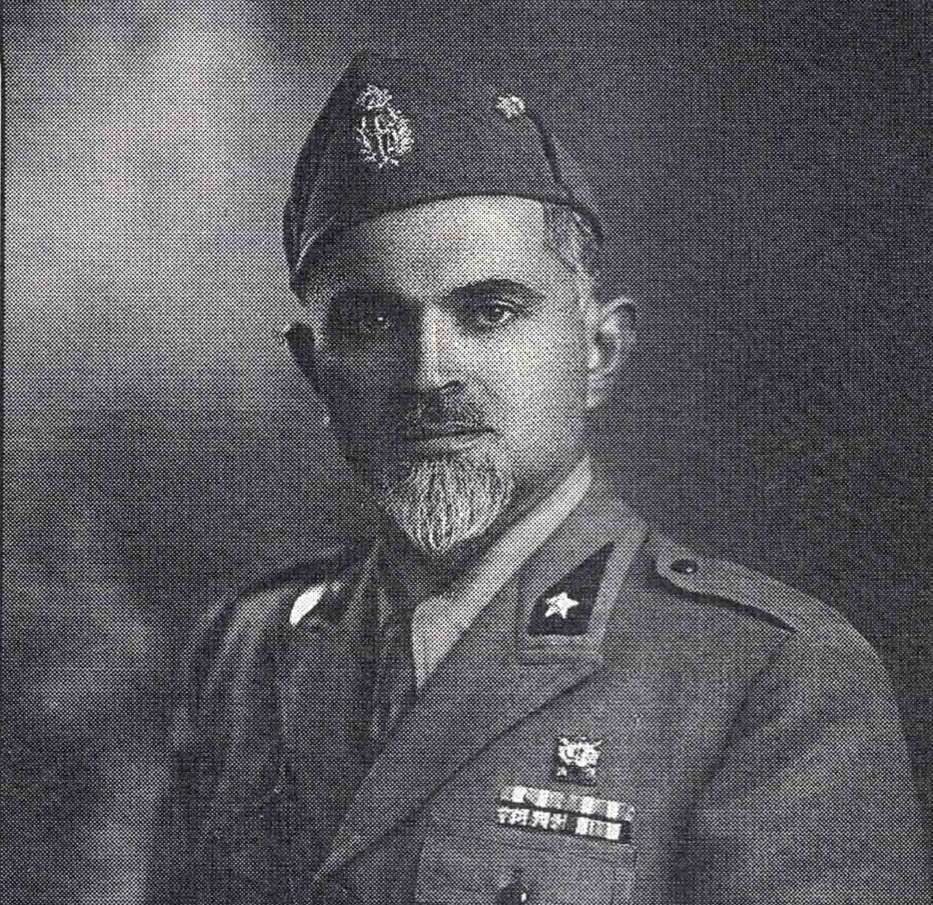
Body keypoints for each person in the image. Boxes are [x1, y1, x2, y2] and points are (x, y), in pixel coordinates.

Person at [146, 52, 930, 904]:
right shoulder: (246, 652)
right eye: (370, 322)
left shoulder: (766, 680)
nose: (428, 373)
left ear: (598, 351)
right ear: (314, 373)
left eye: (489, 312)